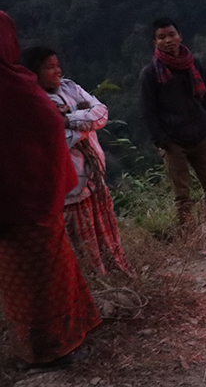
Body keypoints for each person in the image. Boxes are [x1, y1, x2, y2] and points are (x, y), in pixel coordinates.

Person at [0, 12, 102, 371]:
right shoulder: (15, 86)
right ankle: (55, 349)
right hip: (30, 200)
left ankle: (35, 347)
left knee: (21, 281)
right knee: (46, 278)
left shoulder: (17, 82)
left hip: (13, 205)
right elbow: (43, 131)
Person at [20, 47, 131, 276]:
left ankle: (119, 276)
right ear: (35, 73)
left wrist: (68, 119)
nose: (57, 71)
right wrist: (82, 121)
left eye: (57, 65)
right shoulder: (34, 103)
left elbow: (101, 113)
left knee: (107, 237)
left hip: (94, 177)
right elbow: (58, 139)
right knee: (84, 246)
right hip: (72, 188)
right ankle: (98, 287)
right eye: (50, 67)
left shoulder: (69, 87)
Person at [139, 18, 206, 227]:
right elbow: (148, 112)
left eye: (171, 35)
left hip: (200, 135)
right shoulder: (150, 74)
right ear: (154, 43)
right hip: (173, 142)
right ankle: (188, 237)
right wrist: (163, 141)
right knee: (182, 195)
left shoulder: (193, 64)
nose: (168, 40)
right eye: (161, 37)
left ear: (180, 36)